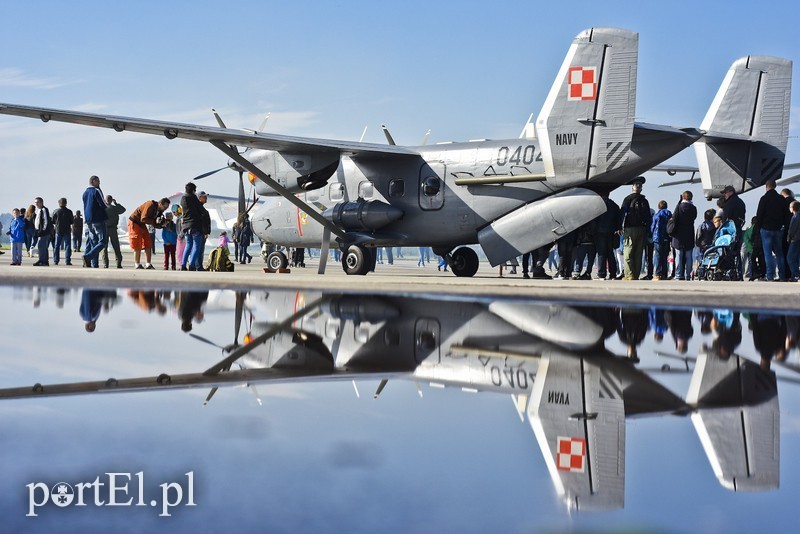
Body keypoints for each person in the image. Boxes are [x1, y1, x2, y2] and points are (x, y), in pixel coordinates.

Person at [754, 178, 789, 281]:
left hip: (766, 229)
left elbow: (759, 215)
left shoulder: (764, 198)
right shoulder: (781, 199)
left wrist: (758, 228)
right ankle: (782, 275)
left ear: (766, 186)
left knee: (768, 253)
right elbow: (786, 214)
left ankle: (770, 275)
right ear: (775, 186)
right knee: (779, 253)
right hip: (778, 229)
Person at [619, 179, 651, 280]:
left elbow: (622, 213)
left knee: (628, 252)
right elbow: (648, 217)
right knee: (638, 253)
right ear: (641, 189)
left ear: (632, 188)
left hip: (630, 228)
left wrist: (619, 226)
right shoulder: (644, 200)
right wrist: (648, 230)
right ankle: (636, 274)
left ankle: (629, 274)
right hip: (642, 229)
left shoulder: (627, 199)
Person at [127, 198, 171, 269]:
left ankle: (148, 264)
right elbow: (143, 218)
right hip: (134, 222)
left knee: (148, 243)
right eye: (165, 207)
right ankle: (137, 264)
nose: (165, 209)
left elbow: (154, 223)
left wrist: (162, 225)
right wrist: (155, 221)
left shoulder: (159, 211)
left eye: (166, 208)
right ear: (160, 204)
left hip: (142, 224)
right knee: (137, 244)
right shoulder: (150, 204)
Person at [81, 175, 108, 268]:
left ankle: (93, 264)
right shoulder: (96, 191)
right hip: (98, 219)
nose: (99, 183)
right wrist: (109, 206)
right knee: (103, 241)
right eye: (98, 181)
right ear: (93, 182)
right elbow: (103, 203)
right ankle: (88, 257)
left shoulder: (85, 192)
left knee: (94, 242)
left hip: (88, 220)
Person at [671, 191, 697, 280]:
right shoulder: (693, 208)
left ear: (683, 197)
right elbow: (694, 217)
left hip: (678, 234)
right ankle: (688, 275)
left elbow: (674, 218)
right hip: (689, 233)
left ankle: (678, 274)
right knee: (689, 255)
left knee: (678, 255)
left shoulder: (679, 207)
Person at [179, 182, 205, 271]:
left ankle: (183, 265)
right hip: (195, 225)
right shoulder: (193, 198)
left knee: (188, 245)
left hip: (185, 226)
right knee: (197, 246)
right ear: (193, 190)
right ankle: (192, 265)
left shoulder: (183, 198)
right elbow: (201, 210)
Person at [595, 194, 620, 280]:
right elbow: (618, 217)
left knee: (601, 253)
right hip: (611, 232)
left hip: (599, 232)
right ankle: (613, 273)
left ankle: (602, 273)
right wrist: (617, 228)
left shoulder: (597, 205)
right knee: (610, 253)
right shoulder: (614, 205)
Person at [101, 195, 126, 269]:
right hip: (113, 229)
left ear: (105, 200)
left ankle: (105, 264)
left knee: (104, 248)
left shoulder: (102, 208)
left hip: (104, 229)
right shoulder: (115, 208)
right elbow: (123, 209)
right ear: (111, 200)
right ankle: (118, 263)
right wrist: (116, 203)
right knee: (116, 246)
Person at [650, 200, 672, 280]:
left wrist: (651, 234)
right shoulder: (670, 215)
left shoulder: (656, 215)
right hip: (667, 238)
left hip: (658, 238)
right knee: (664, 257)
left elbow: (652, 227)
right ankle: (664, 274)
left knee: (657, 256)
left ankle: (657, 274)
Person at [51, 197, 74, 266]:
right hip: (67, 230)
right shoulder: (69, 211)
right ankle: (67, 261)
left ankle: (56, 260)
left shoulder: (55, 211)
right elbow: (71, 221)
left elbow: (53, 221)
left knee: (56, 246)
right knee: (67, 246)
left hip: (58, 230)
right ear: (66, 203)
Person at [787, 200, 800, 281]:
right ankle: (795, 274)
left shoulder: (795, 217)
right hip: (798, 239)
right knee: (795, 258)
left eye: (790, 207)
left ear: (793, 208)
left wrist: (789, 238)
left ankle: (795, 274)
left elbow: (792, 230)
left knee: (790, 257)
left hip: (795, 239)